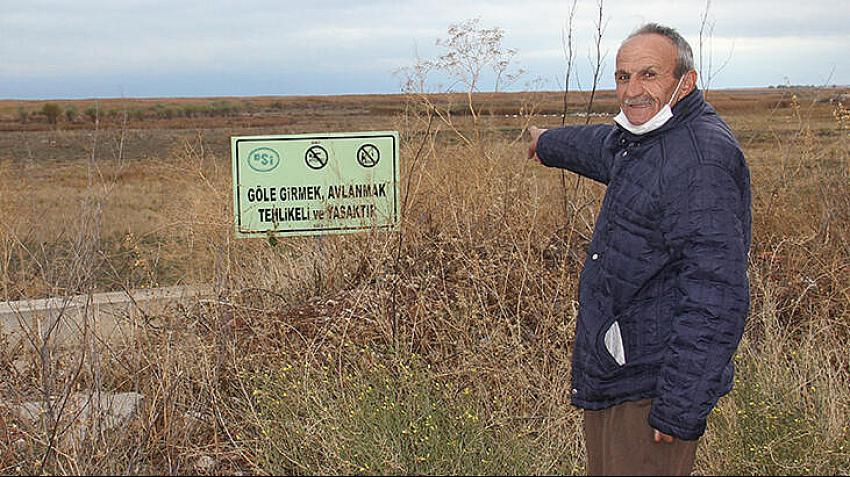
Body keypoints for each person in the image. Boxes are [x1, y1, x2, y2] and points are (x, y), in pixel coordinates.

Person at [527, 23, 751, 475]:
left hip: (651, 388)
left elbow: (716, 294)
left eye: (649, 74)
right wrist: (545, 141)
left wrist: (679, 404)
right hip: (621, 369)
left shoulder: (700, 159)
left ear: (685, 82)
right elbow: (600, 147)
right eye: (623, 76)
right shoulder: (647, 138)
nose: (632, 91)